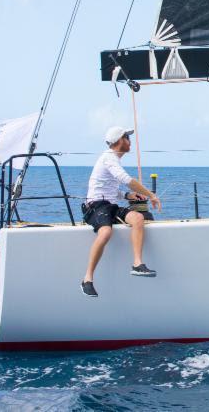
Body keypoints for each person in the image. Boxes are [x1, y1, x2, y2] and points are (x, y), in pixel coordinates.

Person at [81, 126, 162, 298]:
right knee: (105, 232)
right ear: (119, 140)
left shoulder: (113, 159)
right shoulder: (109, 158)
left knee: (138, 218)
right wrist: (151, 195)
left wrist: (127, 195)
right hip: (96, 206)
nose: (130, 140)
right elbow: (127, 180)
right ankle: (87, 279)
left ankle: (137, 264)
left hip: (110, 205)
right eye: (127, 137)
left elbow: (110, 187)